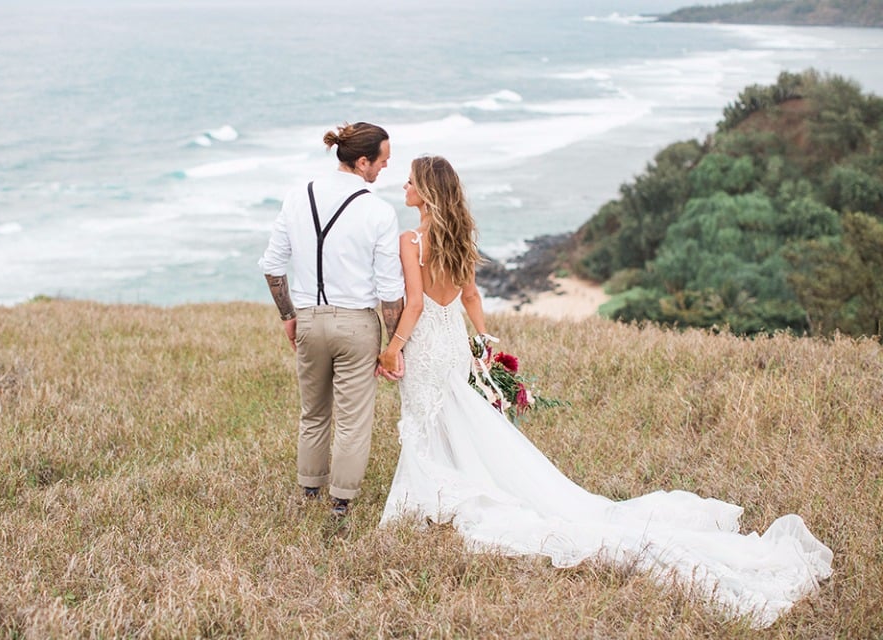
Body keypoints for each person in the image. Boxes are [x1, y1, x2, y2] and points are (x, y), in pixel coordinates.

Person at [376, 155, 833, 628]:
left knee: (430, 416)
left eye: (410, 181)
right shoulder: (459, 241)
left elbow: (413, 304)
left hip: (428, 343)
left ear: (426, 193)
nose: (404, 186)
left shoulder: (411, 241)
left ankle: (431, 495)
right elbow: (470, 296)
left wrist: (393, 348)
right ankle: (447, 483)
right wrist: (484, 342)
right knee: (453, 414)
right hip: (452, 343)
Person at [259, 122, 405, 517]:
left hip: (308, 319)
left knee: (314, 411)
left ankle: (309, 490)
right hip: (357, 324)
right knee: (353, 418)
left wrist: (289, 315)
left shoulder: (297, 196)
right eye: (383, 161)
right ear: (362, 161)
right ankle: (340, 501)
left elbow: (273, 266)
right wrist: (394, 345)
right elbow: (390, 289)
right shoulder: (378, 211)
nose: (385, 169)